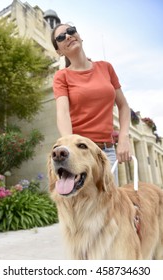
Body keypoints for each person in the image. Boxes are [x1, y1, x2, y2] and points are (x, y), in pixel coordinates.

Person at [51, 23, 132, 185]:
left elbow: (123, 106)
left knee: (109, 206)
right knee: (80, 207)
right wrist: (69, 147)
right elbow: (63, 113)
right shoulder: (61, 77)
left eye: (71, 31)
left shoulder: (106, 68)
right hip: (79, 152)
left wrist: (123, 137)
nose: (67, 36)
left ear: (79, 36)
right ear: (59, 51)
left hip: (106, 152)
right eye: (60, 37)